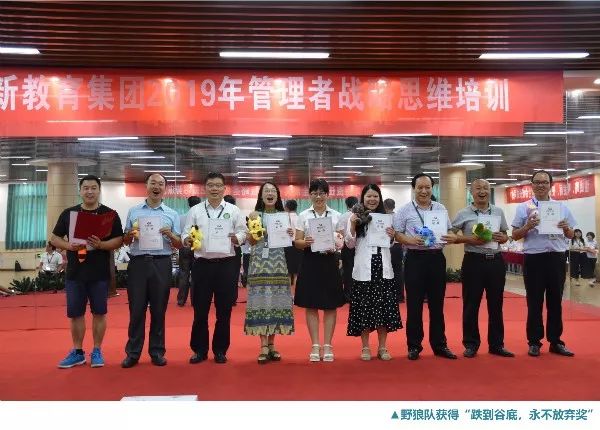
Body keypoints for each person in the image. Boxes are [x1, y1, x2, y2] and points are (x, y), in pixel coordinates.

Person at [50, 175, 123, 368]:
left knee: (99, 312)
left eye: (93, 188)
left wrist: (101, 244)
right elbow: (54, 238)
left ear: (99, 190)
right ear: (80, 191)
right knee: (76, 313)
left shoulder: (109, 214)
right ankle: (78, 352)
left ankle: (97, 350)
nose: (90, 191)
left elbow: (119, 240)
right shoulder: (68, 213)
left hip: (99, 272)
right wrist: (69, 246)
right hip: (75, 272)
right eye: (86, 188)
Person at [183, 172, 247, 364]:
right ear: (205, 188)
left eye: (218, 185)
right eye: (211, 185)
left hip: (226, 265)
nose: (214, 189)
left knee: (224, 311)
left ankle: (220, 350)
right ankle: (199, 350)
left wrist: (238, 238)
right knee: (200, 311)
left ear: (224, 188)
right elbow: (186, 233)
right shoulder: (195, 210)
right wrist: (187, 240)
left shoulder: (234, 210)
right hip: (202, 265)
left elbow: (243, 232)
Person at [393, 173, 458, 361]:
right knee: (414, 305)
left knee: (437, 305)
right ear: (414, 188)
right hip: (415, 259)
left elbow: (449, 229)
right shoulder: (404, 210)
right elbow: (397, 234)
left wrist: (451, 235)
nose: (424, 191)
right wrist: (410, 239)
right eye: (420, 187)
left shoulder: (440, 208)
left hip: (436, 258)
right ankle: (414, 346)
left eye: (427, 187)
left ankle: (440, 345)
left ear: (432, 188)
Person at [511, 170, 576, 357]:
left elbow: (571, 234)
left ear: (551, 185)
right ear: (532, 185)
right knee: (534, 302)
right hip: (534, 258)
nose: (541, 185)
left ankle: (556, 341)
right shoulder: (524, 207)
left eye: (545, 182)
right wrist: (528, 226)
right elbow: (514, 235)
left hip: (556, 258)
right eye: (537, 182)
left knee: (556, 301)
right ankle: (534, 342)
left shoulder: (561, 207)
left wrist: (566, 228)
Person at [120, 173, 181, 368]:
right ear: (146, 186)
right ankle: (133, 353)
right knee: (136, 309)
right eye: (153, 183)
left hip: (162, 263)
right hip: (138, 263)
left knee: (159, 309)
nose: (156, 187)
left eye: (160, 184)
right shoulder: (134, 211)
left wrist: (170, 235)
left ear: (165, 188)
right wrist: (130, 235)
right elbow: (125, 241)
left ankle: (157, 351)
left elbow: (179, 244)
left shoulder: (172, 214)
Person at [451, 179, 514, 358]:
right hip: (473, 262)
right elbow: (451, 235)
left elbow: (505, 235)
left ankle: (497, 344)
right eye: (478, 188)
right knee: (471, 304)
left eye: (485, 188)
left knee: (496, 305)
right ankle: (471, 344)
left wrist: (503, 238)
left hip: (496, 262)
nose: (482, 191)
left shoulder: (498, 211)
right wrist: (470, 239)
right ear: (471, 192)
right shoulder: (463, 213)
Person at [345, 184, 402, 361]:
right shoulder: (354, 217)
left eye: (375, 196)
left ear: (380, 199)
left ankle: (382, 347)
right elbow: (349, 244)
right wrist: (353, 224)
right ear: (363, 198)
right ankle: (365, 347)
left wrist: (392, 236)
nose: (372, 199)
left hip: (383, 269)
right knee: (364, 310)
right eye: (369, 196)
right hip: (364, 270)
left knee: (384, 311)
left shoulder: (386, 217)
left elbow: (390, 244)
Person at [294, 178, 345, 362]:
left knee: (330, 305)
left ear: (327, 195)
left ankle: (328, 345)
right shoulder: (303, 215)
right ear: (310, 195)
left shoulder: (337, 215)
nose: (318, 197)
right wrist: (305, 242)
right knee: (311, 304)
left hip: (330, 261)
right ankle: (315, 345)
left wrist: (336, 244)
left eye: (322, 193)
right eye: (314, 193)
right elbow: (297, 242)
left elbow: (342, 240)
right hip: (310, 261)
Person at [244, 182, 295, 364]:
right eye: (266, 191)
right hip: (259, 262)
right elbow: (251, 241)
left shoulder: (283, 216)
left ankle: (272, 344)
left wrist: (290, 233)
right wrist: (255, 230)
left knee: (276, 301)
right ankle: (263, 345)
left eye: (273, 191)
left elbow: (289, 241)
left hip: (278, 262)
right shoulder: (254, 215)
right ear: (261, 195)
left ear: (278, 196)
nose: (270, 193)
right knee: (261, 302)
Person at [177, 196, 201, 306]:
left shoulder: (181, 217)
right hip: (198, 247)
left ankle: (181, 300)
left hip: (184, 247)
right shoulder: (201, 218)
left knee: (183, 273)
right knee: (196, 275)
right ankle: (195, 300)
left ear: (188, 204)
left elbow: (179, 233)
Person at [337, 196, 358, 302]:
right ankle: (357, 294)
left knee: (347, 270)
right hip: (359, 247)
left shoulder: (343, 216)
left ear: (346, 205)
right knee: (358, 270)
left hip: (346, 246)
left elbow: (340, 233)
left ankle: (347, 294)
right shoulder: (359, 216)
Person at [223, 194, 243, 305]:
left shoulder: (235, 212)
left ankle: (225, 298)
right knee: (234, 275)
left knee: (225, 276)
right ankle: (232, 299)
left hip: (228, 248)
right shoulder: (237, 213)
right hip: (234, 248)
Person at [384, 198, 405, 303]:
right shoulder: (398, 217)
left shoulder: (383, 218)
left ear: (384, 206)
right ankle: (399, 296)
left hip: (387, 246)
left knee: (386, 271)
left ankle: (388, 295)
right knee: (398, 271)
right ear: (394, 206)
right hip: (398, 246)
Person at [283, 199, 302, 288]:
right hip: (298, 245)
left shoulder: (284, 219)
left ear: (286, 208)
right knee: (297, 272)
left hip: (287, 245)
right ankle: (296, 292)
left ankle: (288, 294)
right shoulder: (299, 218)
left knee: (288, 272)